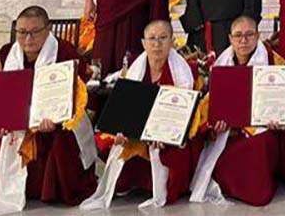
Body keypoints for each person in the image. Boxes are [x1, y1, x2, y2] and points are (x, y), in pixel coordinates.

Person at [0, 6, 97, 213]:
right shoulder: (8, 53)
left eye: (35, 32)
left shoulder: (64, 52)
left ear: (48, 29)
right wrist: (0, 122)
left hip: (55, 125)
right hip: (16, 127)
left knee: (61, 140)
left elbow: (77, 94)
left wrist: (56, 119)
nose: (28, 38)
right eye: (22, 32)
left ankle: (53, 189)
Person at [190, 16, 285, 205]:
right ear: (230, 38)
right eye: (238, 35)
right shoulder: (221, 66)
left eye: (249, 34)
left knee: (260, 146)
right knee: (222, 156)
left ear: (257, 36)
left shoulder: (274, 61)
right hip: (231, 133)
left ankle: (259, 187)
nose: (243, 40)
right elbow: (211, 103)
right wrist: (215, 125)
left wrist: (280, 119)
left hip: (263, 130)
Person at [81, 20, 200, 210]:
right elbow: (125, 110)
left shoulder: (183, 73)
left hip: (168, 136)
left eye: (163, 38)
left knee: (171, 153)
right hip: (138, 134)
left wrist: (166, 136)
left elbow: (186, 114)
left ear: (172, 42)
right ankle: (133, 181)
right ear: (144, 43)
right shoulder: (135, 70)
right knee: (114, 144)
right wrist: (120, 131)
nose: (157, 44)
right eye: (151, 39)